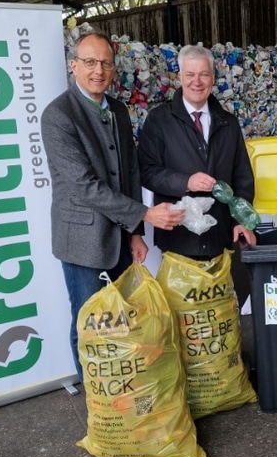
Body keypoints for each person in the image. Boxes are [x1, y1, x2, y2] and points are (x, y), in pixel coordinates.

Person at [41, 29, 185, 381]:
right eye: (89, 62)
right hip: (82, 240)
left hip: (121, 236)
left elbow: (130, 172)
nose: (98, 70)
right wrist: (146, 214)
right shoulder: (58, 115)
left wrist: (136, 231)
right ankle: (99, 408)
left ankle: (125, 391)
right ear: (73, 66)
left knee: (124, 320)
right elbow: (84, 186)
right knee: (90, 322)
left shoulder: (118, 110)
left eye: (105, 63)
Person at [138, 44, 257, 260]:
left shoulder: (228, 123)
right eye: (190, 74)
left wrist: (241, 221)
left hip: (221, 237)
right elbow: (147, 171)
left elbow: (242, 178)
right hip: (178, 237)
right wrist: (186, 182)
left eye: (203, 74)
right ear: (180, 77)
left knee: (223, 294)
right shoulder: (159, 120)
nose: (197, 82)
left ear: (212, 77)